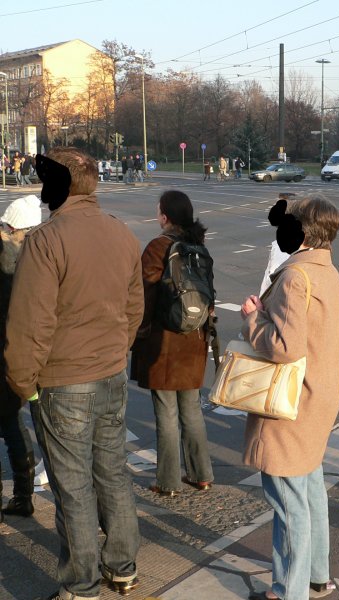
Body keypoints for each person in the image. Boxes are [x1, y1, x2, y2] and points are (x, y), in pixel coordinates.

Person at [6, 148, 144, 599]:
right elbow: (133, 308)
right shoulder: (121, 233)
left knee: (73, 487)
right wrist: (114, 350)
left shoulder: (47, 239)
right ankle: (122, 566)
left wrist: (22, 381)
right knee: (112, 472)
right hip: (109, 372)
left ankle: (81, 585)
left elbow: (30, 322)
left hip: (65, 380)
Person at [240, 194, 339, 600]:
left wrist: (253, 317)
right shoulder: (328, 273)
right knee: (310, 492)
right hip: (317, 400)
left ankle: (290, 591)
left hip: (290, 407)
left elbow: (284, 346)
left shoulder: (295, 277)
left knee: (289, 504)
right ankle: (317, 575)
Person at [130, 190, 215, 498]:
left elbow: (145, 295)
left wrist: (137, 332)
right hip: (194, 340)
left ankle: (168, 481)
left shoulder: (158, 247)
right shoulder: (197, 246)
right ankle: (202, 474)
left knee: (166, 412)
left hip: (164, 342)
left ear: (165, 216)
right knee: (191, 409)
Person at [0, 195, 42, 521]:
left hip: (7, 355)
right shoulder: (41, 258)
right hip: (30, 359)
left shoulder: (6, 259)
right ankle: (24, 495)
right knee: (15, 424)